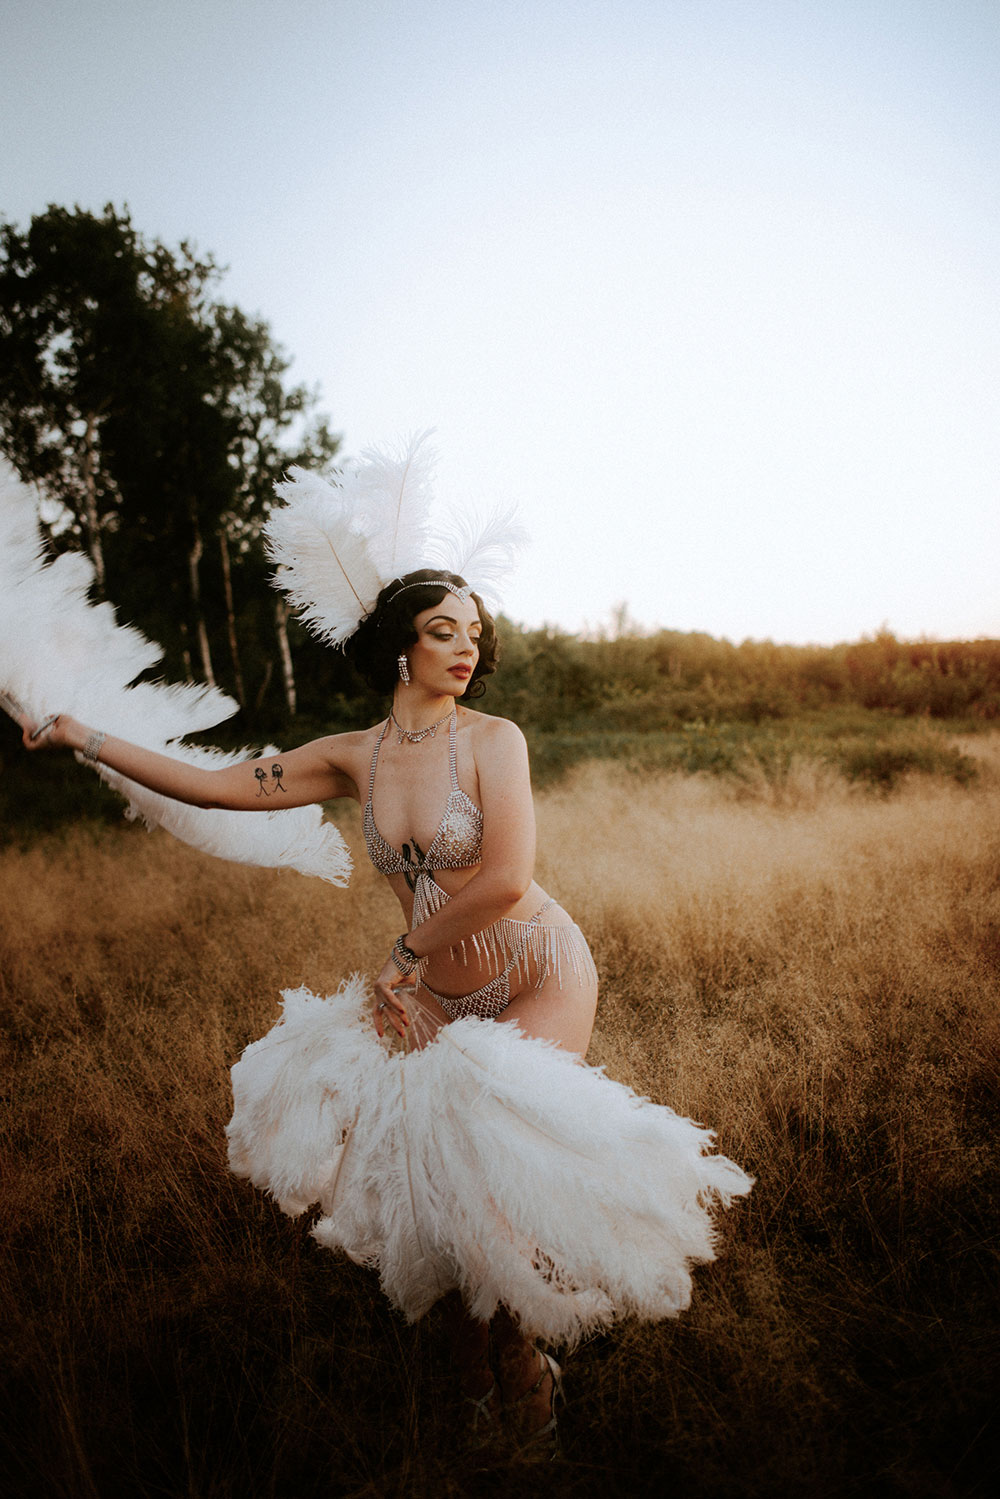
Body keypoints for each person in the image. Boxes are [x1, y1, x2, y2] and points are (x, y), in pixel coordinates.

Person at [13, 441, 752, 1464]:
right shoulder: (351, 756)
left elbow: (498, 876)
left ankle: (528, 1370)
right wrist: (85, 735)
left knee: (495, 1192)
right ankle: (477, 1376)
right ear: (399, 645)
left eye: (474, 632)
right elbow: (212, 779)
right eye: (442, 629)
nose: (464, 646)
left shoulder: (496, 740)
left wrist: (406, 950)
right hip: (436, 994)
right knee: (445, 1207)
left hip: (535, 971)